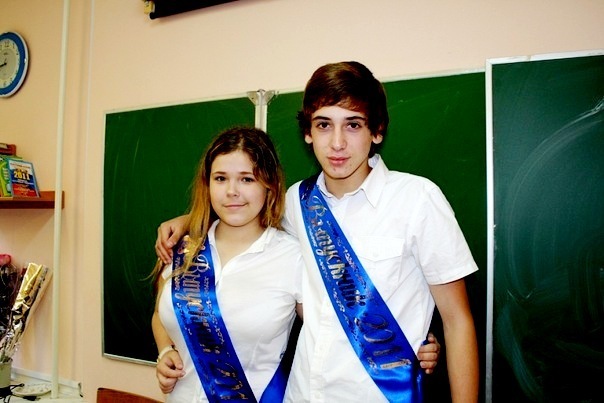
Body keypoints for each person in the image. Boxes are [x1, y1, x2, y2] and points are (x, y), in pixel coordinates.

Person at [156, 61, 470, 402]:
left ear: (377, 130)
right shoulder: (296, 203)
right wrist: (188, 220)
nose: (337, 143)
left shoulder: (417, 199)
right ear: (308, 132)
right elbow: (243, 209)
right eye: (323, 125)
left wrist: (428, 343)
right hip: (302, 394)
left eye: (353, 125)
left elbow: (458, 321)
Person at [151, 127, 304, 402]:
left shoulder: (293, 257)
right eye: (220, 178)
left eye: (247, 179)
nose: (232, 191)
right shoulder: (184, 248)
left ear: (269, 184)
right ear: (207, 184)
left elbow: (324, 337)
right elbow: (160, 314)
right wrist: (165, 351)